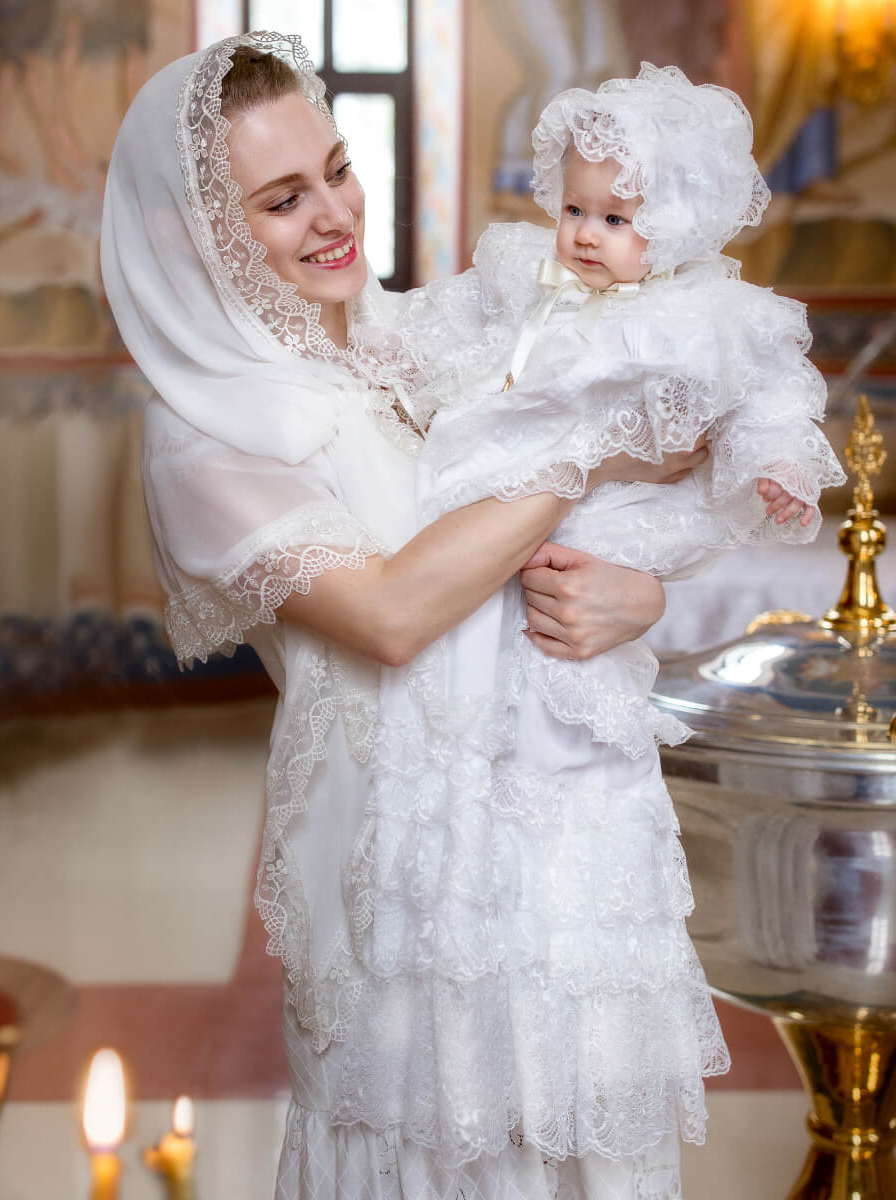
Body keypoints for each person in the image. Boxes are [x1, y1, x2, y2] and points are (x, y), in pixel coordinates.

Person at [101, 31, 712, 1199]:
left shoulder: (411, 339)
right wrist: (584, 454)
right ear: (201, 232)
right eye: (282, 200)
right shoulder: (207, 431)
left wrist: (640, 594)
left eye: (337, 167)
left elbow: (598, 502)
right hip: (393, 859)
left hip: (539, 821)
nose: (335, 213)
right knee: (427, 1153)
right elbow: (389, 614)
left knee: (561, 1139)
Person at [334, 63, 846, 1194]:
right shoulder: (525, 277)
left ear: (683, 224)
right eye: (573, 208)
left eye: (619, 218)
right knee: (498, 770)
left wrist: (773, 474)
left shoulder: (710, 319)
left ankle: (568, 1086)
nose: (584, 234)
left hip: (610, 543)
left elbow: (773, 400)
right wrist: (378, 350)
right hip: (492, 542)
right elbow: (428, 326)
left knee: (576, 746)